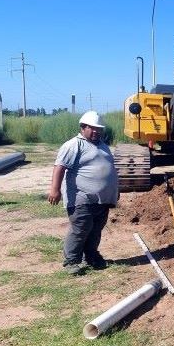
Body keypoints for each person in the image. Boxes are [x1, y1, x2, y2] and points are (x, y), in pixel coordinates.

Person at [47, 111, 118, 276]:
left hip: (101, 199)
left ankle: (91, 257)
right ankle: (71, 261)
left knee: (96, 229)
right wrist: (55, 190)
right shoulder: (74, 145)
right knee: (81, 228)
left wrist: (115, 190)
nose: (96, 132)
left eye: (99, 129)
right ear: (83, 127)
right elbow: (60, 167)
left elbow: (109, 170)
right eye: (92, 129)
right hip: (81, 197)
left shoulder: (103, 145)